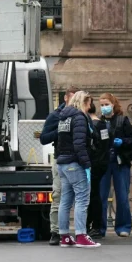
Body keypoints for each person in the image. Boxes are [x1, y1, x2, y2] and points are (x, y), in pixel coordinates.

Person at [55, 91, 100, 248]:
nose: (89, 107)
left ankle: (64, 236)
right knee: (82, 199)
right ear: (84, 102)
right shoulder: (79, 117)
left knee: (65, 201)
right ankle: (81, 235)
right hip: (75, 163)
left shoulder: (63, 117)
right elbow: (79, 144)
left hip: (63, 163)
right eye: (89, 103)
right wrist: (86, 164)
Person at [97, 93, 132, 237]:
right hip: (104, 162)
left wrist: (123, 142)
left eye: (106, 104)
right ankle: (100, 227)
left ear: (113, 104)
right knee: (101, 196)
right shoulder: (99, 122)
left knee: (122, 196)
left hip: (120, 161)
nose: (104, 107)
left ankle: (123, 226)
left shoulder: (122, 120)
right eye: (102, 105)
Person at [40, 87, 76, 246]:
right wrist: (60, 130)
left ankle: (82, 231)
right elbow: (44, 138)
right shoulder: (55, 116)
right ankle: (55, 231)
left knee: (81, 197)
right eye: (73, 98)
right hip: (60, 158)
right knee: (58, 195)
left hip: (77, 159)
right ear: (66, 98)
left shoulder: (81, 115)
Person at [86, 103, 109, 240]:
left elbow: (100, 146)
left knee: (93, 195)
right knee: (93, 195)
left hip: (94, 164)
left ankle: (95, 225)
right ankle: (94, 225)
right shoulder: (101, 124)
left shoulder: (96, 125)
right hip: (99, 163)